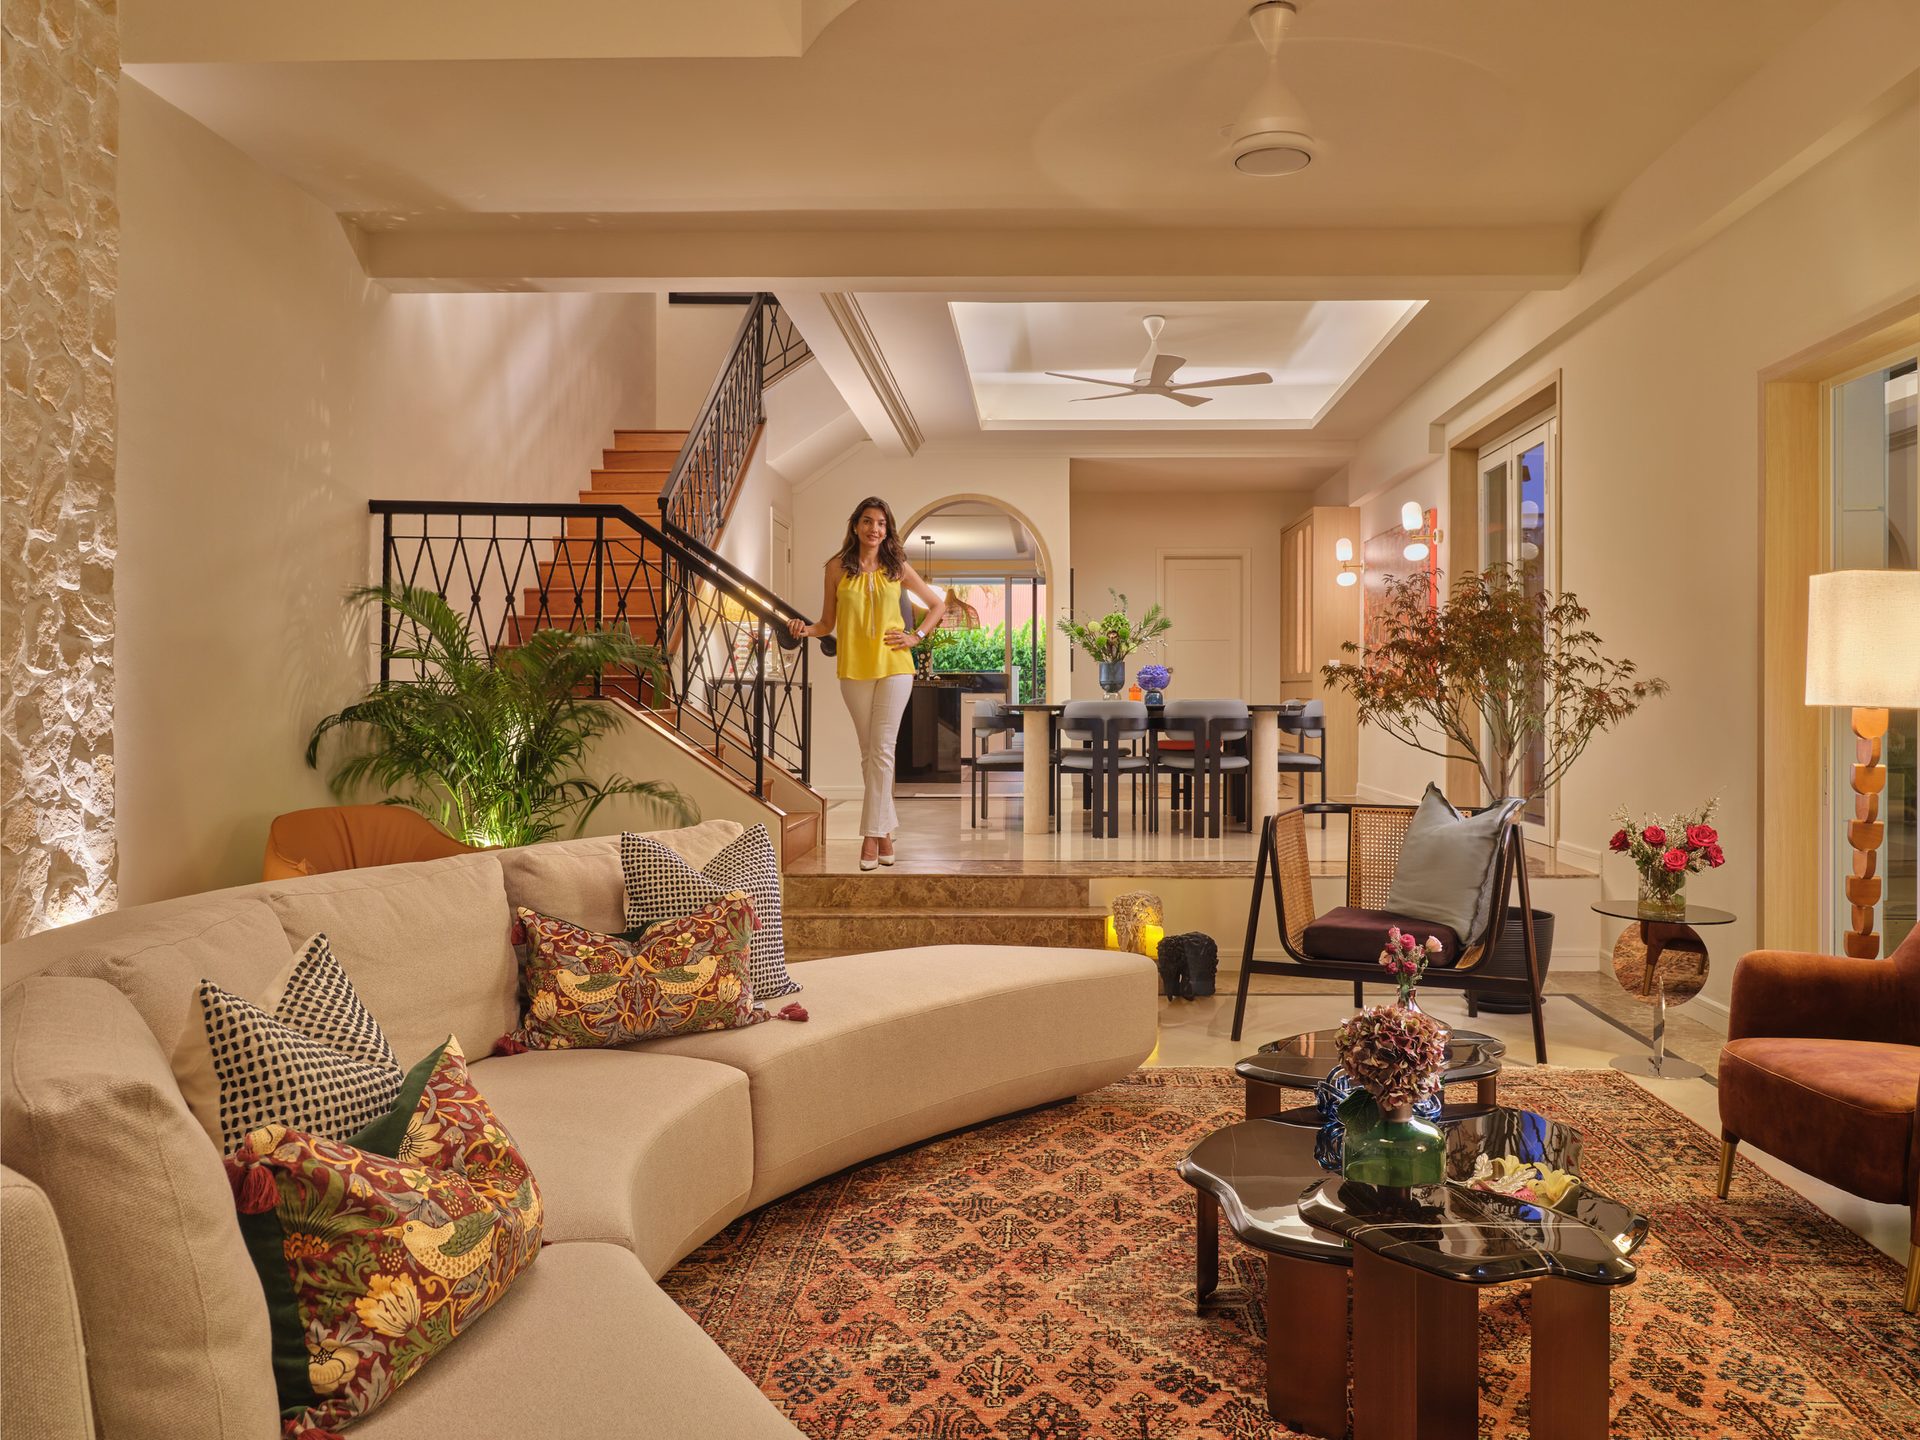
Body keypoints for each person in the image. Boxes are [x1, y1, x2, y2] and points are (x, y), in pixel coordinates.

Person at [789, 497, 945, 870]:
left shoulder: (897, 567)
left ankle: (870, 839)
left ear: (887, 530)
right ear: (856, 526)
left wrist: (916, 636)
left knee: (883, 749)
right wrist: (804, 629)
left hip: (895, 666)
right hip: (854, 668)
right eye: (868, 521)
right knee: (869, 751)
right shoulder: (835, 568)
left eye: (881, 523)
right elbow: (827, 623)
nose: (874, 529)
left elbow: (937, 605)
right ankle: (885, 832)